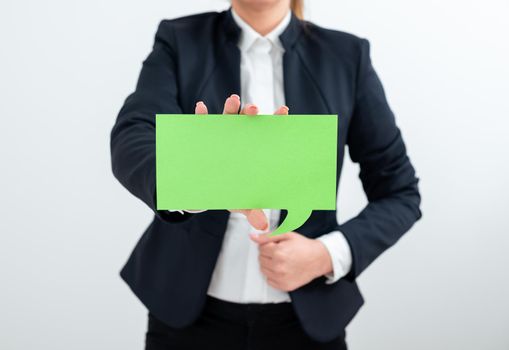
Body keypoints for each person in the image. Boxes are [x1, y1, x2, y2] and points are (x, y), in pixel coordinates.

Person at [110, 0, 422, 349]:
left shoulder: (346, 56)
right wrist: (192, 181)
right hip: (187, 318)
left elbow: (400, 191)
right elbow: (132, 137)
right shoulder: (180, 40)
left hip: (307, 322)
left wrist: (327, 254)